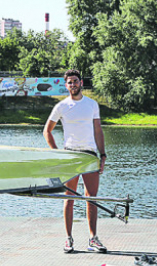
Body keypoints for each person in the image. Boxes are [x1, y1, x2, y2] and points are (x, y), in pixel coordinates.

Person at [43, 69, 108, 253]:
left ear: (81, 83)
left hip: (89, 155)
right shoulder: (62, 106)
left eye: (75, 81)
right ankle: (69, 239)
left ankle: (93, 239)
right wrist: (57, 154)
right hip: (70, 156)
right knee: (69, 198)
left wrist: (102, 155)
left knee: (92, 199)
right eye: (69, 82)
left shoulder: (92, 104)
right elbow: (47, 131)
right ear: (66, 86)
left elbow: (98, 131)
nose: (73, 85)